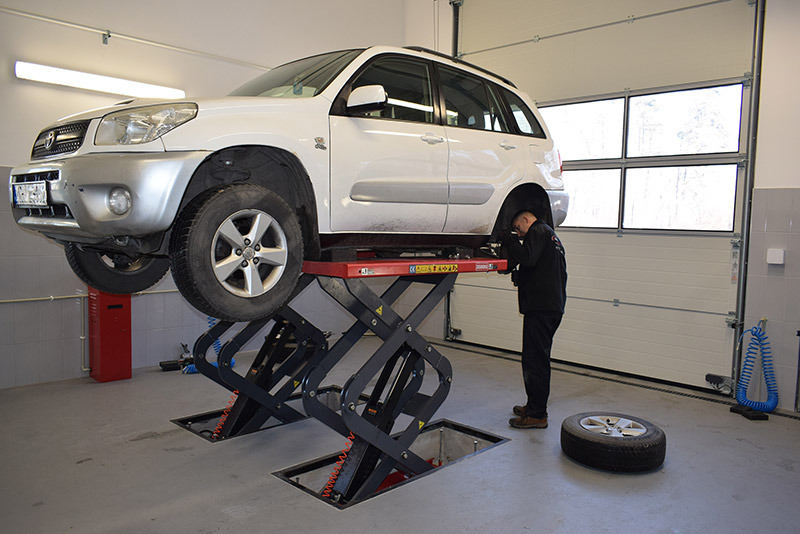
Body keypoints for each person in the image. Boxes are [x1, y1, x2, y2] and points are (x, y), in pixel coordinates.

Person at [498, 210, 567, 429]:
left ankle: (538, 414)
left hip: (542, 308)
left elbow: (527, 257)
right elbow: (533, 264)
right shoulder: (549, 236)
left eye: (518, 228)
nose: (518, 234)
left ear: (527, 220)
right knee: (534, 359)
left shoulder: (538, 230)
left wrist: (507, 238)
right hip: (548, 306)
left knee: (535, 361)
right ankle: (534, 405)